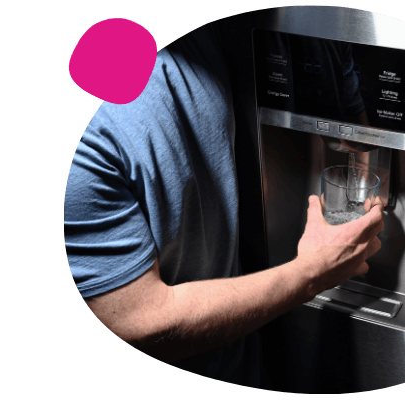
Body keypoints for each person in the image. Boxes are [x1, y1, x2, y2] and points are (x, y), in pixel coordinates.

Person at [63, 23, 384, 388]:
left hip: (243, 361)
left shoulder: (193, 41)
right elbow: (139, 323)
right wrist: (313, 273)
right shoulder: (89, 146)